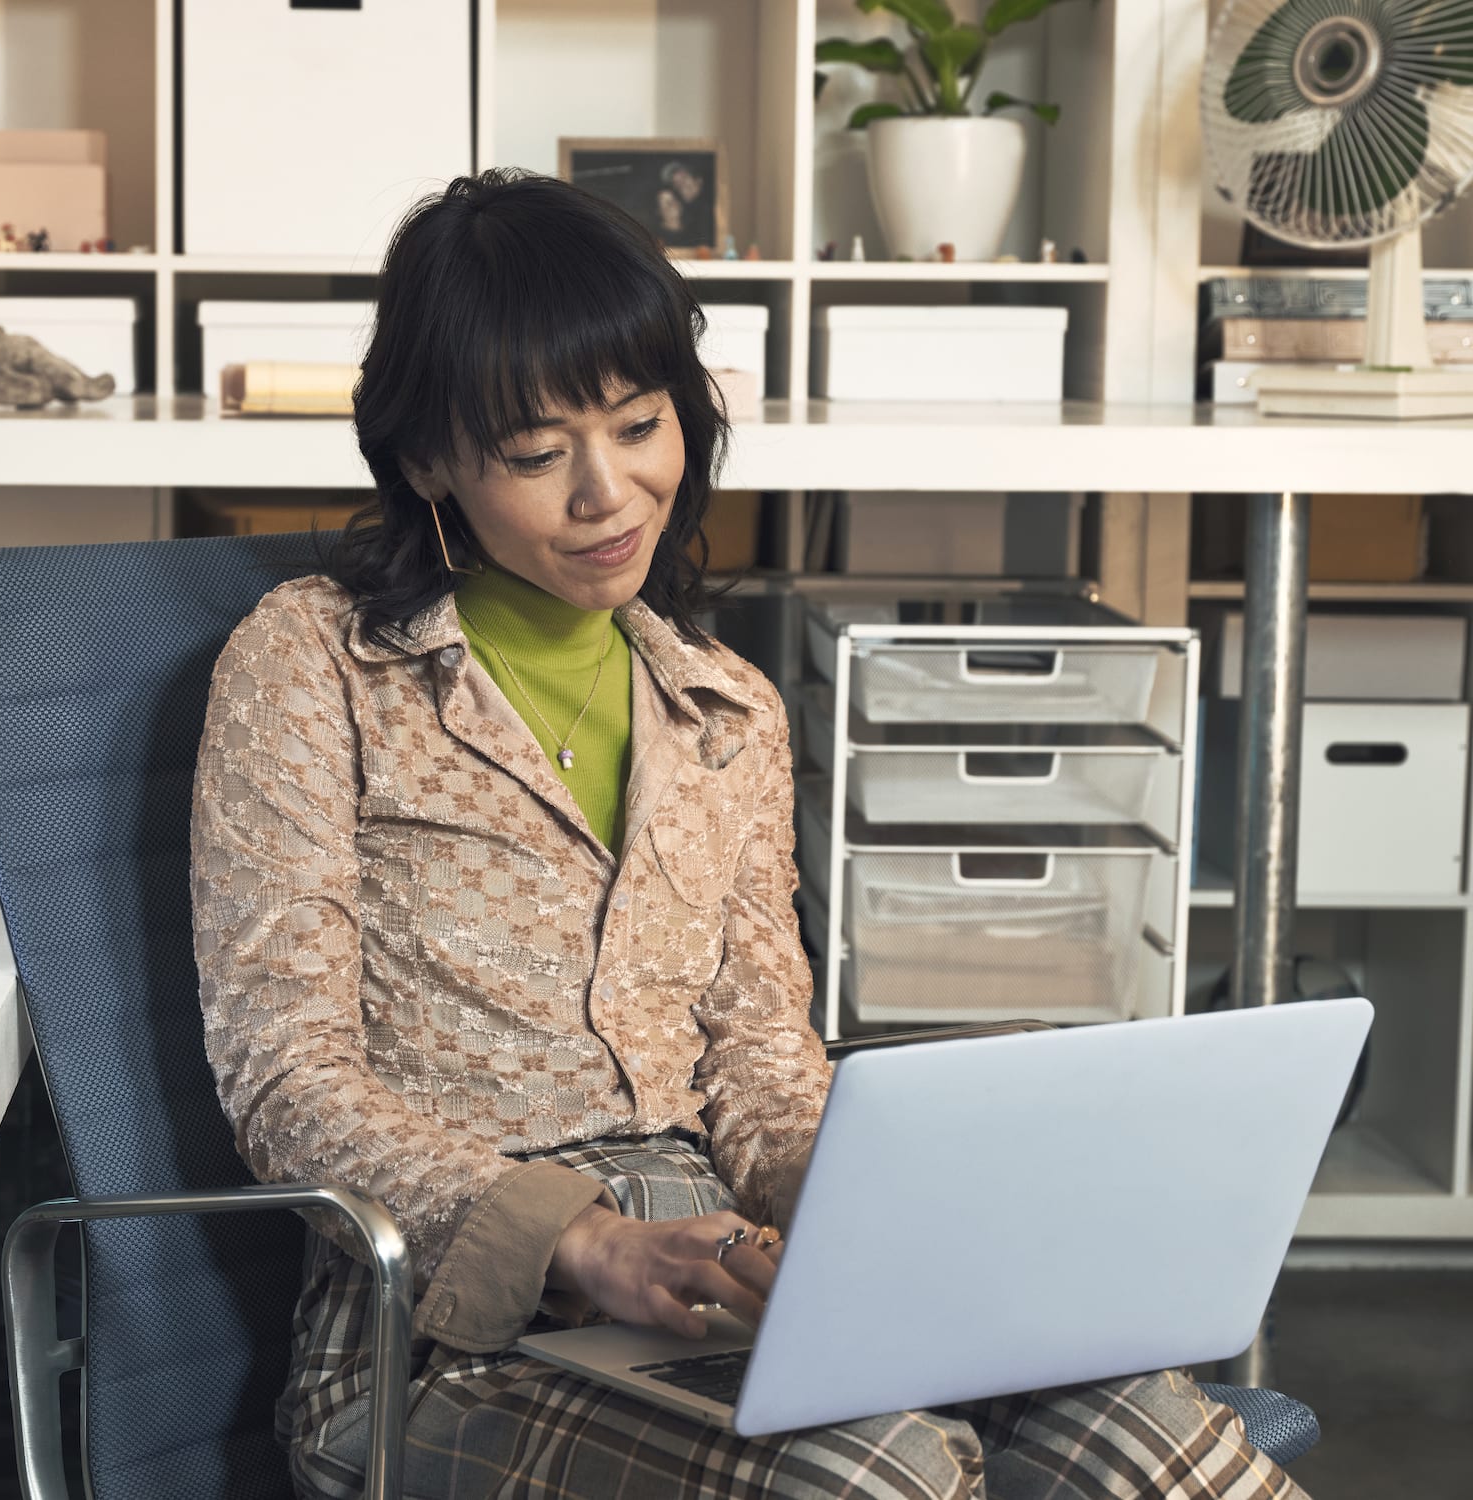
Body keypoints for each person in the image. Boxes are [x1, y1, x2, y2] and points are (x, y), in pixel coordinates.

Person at [190, 168, 1307, 1499]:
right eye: (539, 453)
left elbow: (762, 1058)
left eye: (640, 423)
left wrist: (895, 1206)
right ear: (429, 456)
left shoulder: (727, 712)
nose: (609, 492)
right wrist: (586, 1244)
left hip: (736, 1276)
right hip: (440, 1341)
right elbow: (287, 1078)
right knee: (878, 1473)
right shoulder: (312, 663)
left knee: (1152, 1435)